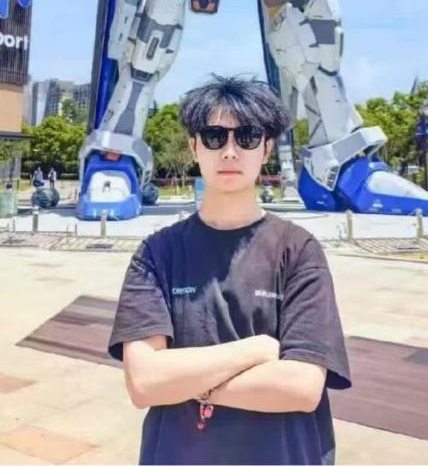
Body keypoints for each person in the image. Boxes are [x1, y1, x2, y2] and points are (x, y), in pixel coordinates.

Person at [108, 74, 351, 465]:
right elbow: (144, 382)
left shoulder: (299, 251)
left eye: (248, 137)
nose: (230, 151)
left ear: (266, 148)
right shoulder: (157, 254)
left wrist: (186, 381)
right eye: (214, 137)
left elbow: (302, 386)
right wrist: (258, 349)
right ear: (194, 147)